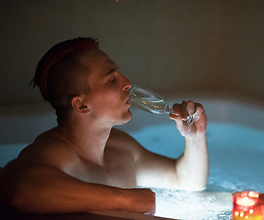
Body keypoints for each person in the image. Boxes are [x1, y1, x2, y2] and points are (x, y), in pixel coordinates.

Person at [0, 37, 209, 214]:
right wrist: (125, 200)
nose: (127, 83)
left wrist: (195, 137)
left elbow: (187, 181)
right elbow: (18, 187)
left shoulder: (120, 146)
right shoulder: (57, 152)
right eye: (111, 80)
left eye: (119, 73)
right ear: (81, 105)